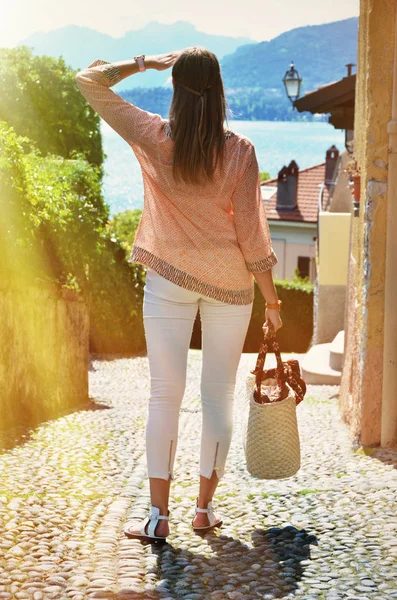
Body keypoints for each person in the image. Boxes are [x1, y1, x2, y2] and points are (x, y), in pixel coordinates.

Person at [75, 46, 283, 542]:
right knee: (218, 399)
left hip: (167, 279)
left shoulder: (153, 135)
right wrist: (273, 303)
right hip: (232, 286)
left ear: (175, 90)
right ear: (219, 92)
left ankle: (157, 517)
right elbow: (254, 236)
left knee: (164, 395)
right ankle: (203, 511)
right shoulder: (240, 151)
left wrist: (143, 63)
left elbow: (88, 79)